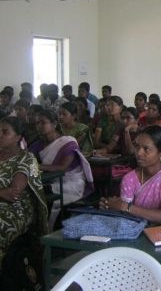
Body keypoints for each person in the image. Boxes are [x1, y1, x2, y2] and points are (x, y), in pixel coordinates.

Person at [99, 126, 161, 224]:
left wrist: (126, 207)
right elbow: (125, 217)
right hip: (135, 231)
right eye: (137, 147)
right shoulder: (130, 179)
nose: (139, 153)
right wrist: (111, 205)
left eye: (146, 149)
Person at [29, 109, 93, 228]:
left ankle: (46, 230)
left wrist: (38, 166)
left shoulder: (68, 142)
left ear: (54, 124)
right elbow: (26, 157)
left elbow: (62, 167)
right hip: (52, 180)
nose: (39, 126)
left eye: (43, 122)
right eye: (37, 123)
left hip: (72, 182)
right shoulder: (38, 144)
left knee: (42, 193)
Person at [0, 117, 48, 268]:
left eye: (4, 132)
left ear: (18, 136)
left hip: (14, 210)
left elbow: (13, 193)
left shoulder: (26, 158)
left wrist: (4, 193)